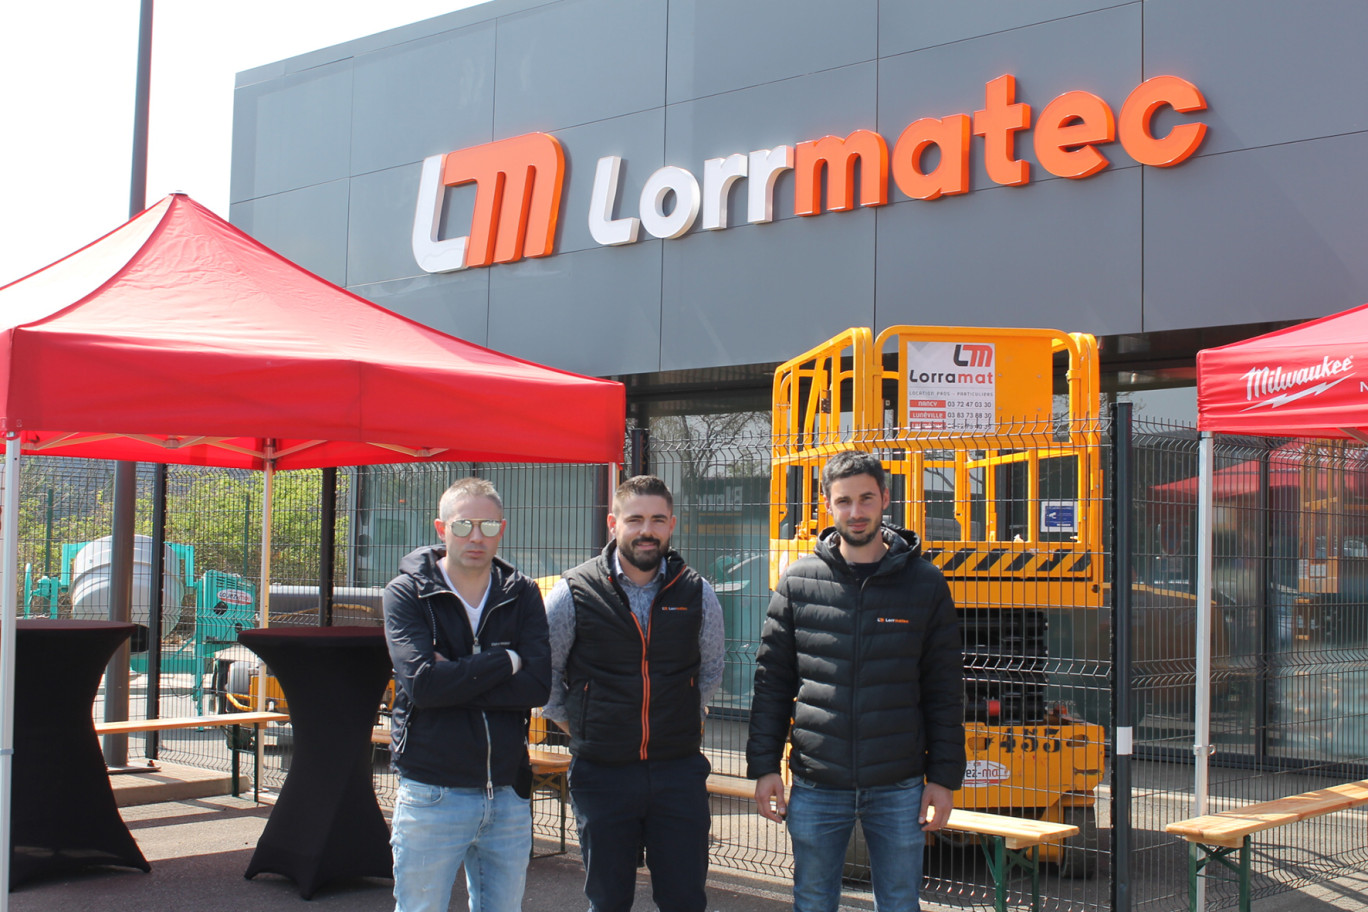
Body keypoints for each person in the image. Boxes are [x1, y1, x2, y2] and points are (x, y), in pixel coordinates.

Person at [746, 451, 966, 912]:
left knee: (901, 902)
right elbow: (772, 683)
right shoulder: (798, 582)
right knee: (812, 899)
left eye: (866, 498)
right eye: (844, 501)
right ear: (827, 505)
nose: (856, 511)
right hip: (816, 782)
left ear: (885, 499)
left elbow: (944, 690)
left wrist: (943, 777)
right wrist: (765, 767)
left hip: (899, 783)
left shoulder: (925, 584)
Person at [542, 474, 725, 912]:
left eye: (658, 520)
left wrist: (677, 716)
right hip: (602, 774)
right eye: (635, 519)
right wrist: (582, 725)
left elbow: (712, 670)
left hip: (677, 772)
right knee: (608, 901)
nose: (647, 530)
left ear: (672, 525)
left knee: (684, 900)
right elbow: (545, 676)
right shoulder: (572, 592)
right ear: (613, 523)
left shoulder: (698, 592)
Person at [383, 477, 551, 912]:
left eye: (488, 526)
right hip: (433, 793)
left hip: (509, 794)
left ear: (503, 528)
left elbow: (538, 686)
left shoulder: (522, 592)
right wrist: (506, 661)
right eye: (463, 526)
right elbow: (422, 685)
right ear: (441, 529)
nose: (476, 537)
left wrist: (454, 677)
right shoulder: (407, 593)